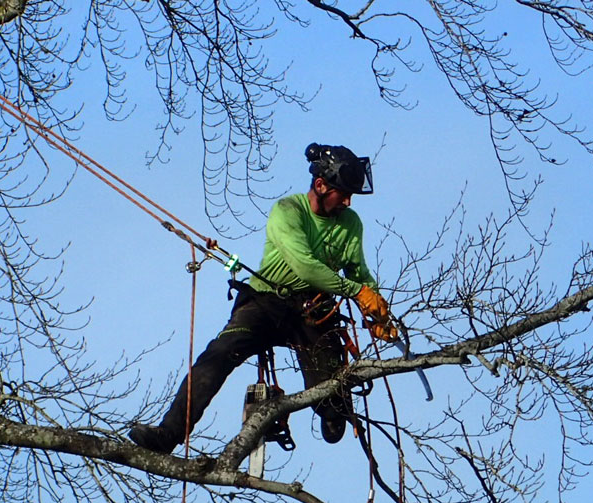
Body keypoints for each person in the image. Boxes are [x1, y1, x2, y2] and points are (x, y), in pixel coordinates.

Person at [129, 143, 397, 454]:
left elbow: (358, 272)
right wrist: (356, 292)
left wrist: (376, 308)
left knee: (332, 403)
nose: (348, 201)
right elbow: (305, 265)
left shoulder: (350, 223)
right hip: (266, 302)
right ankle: (167, 435)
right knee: (219, 353)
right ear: (321, 185)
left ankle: (333, 409)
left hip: (313, 310)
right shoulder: (288, 211)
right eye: (343, 192)